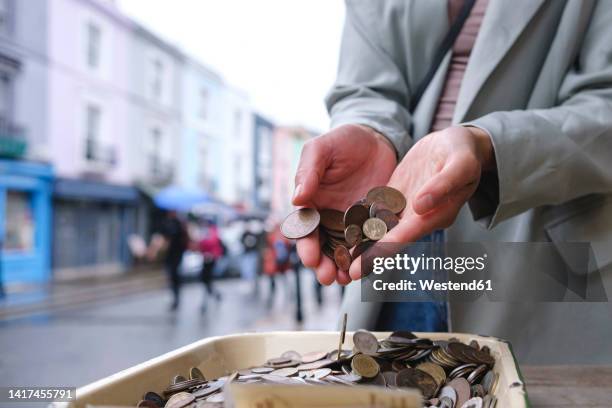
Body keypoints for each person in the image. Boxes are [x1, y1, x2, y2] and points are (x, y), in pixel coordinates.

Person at [293, 0, 612, 363]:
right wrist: (370, 131)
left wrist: (489, 144)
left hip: (539, 246)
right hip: (397, 238)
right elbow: (365, 88)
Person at [160, 211, 188, 311]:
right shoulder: (168, 223)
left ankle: (176, 297)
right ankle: (175, 296)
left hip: (176, 254)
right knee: (171, 275)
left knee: (174, 275)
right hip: (171, 254)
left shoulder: (179, 224)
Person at [198, 219, 223, 312]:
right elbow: (201, 245)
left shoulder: (213, 231)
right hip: (205, 258)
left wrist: (204, 240)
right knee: (205, 279)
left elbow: (212, 243)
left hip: (212, 258)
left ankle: (204, 302)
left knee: (207, 279)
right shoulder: (204, 232)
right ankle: (215, 294)